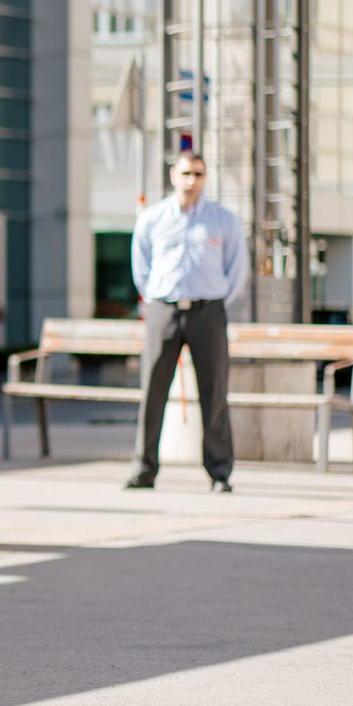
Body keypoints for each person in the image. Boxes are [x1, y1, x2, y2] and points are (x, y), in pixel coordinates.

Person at [126, 150, 248, 492]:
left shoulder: (223, 220)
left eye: (198, 174)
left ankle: (219, 472)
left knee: (214, 393)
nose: (191, 181)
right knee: (153, 390)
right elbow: (141, 264)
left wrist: (217, 299)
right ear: (172, 176)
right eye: (186, 174)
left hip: (207, 312)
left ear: (205, 178)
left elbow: (237, 269)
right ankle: (144, 468)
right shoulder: (153, 218)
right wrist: (153, 297)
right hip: (163, 310)